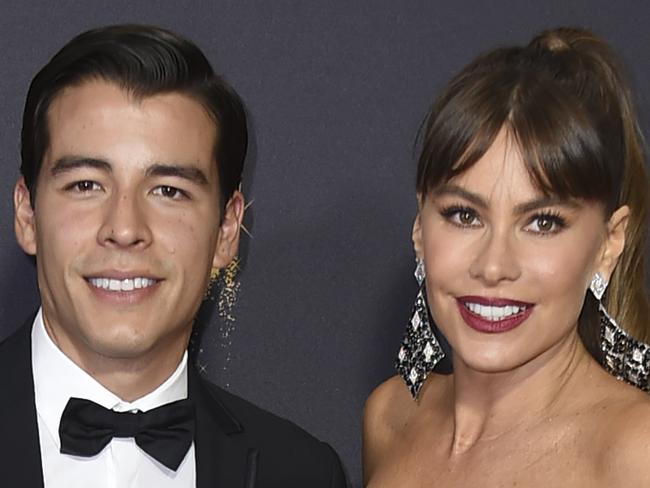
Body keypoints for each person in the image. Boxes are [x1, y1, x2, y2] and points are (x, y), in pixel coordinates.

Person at [0, 24, 346, 487]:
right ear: (27, 214)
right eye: (86, 185)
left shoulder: (301, 473)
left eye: (168, 191)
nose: (124, 229)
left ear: (226, 231)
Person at [363, 27, 650, 487]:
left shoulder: (636, 451)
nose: (494, 266)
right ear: (421, 226)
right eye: (463, 215)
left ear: (608, 244)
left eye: (542, 223)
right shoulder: (390, 418)